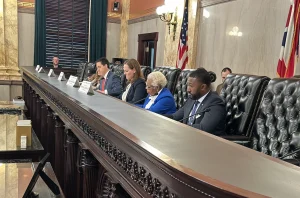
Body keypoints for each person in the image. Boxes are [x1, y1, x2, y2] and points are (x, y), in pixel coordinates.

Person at [165, 68, 226, 136]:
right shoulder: (192, 98)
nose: (188, 90)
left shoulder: (215, 102)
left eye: (191, 86)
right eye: (187, 85)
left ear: (203, 87)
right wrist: (159, 118)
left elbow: (203, 128)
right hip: (187, 137)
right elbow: (175, 116)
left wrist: (179, 128)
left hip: (206, 142)